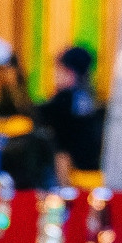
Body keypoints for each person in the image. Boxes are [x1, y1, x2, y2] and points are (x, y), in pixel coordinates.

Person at [41, 45, 106, 185]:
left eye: (58, 70)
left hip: (70, 172)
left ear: (70, 72)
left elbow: (61, 145)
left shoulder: (63, 100)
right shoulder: (92, 99)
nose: (55, 75)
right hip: (96, 174)